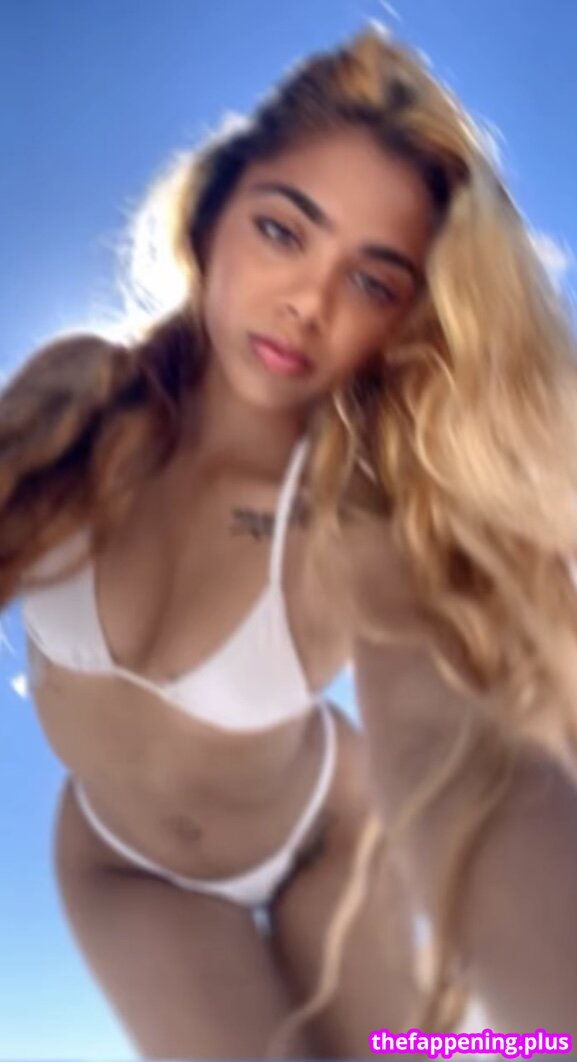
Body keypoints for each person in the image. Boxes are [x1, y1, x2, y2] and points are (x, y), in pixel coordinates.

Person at [4, 22, 577, 1061]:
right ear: (212, 212)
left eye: (373, 281)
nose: (308, 303)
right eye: (282, 230)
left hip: (327, 837)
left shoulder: (355, 503)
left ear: (405, 323)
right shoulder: (73, 398)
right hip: (123, 865)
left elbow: (453, 749)